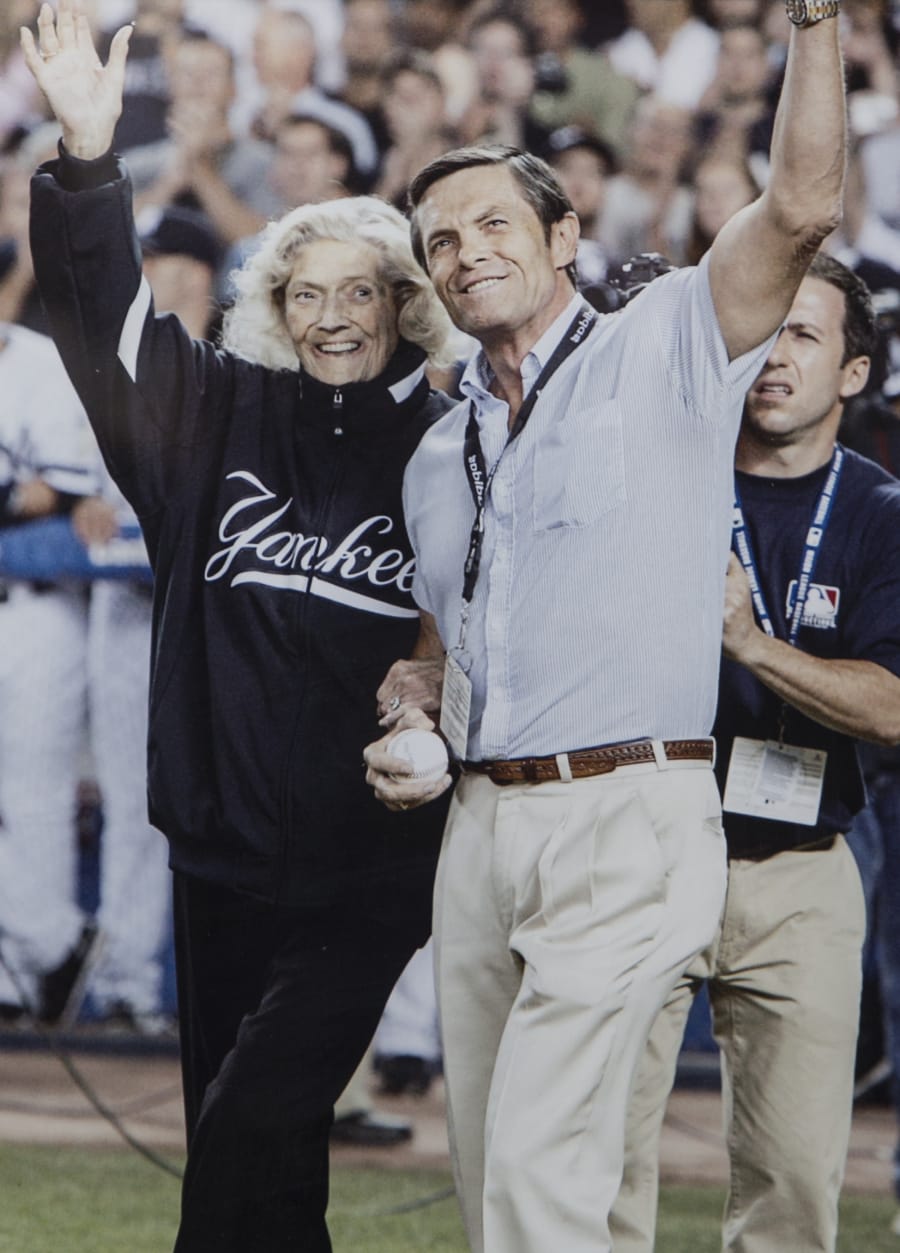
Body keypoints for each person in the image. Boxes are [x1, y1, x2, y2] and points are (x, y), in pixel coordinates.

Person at [363, 2, 849, 1250]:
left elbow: (799, 205)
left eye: (492, 225)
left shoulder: (669, 342)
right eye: (439, 241)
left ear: (565, 235)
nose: (464, 252)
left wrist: (814, 21)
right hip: (477, 824)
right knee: (494, 1175)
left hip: (628, 808)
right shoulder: (432, 454)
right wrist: (415, 697)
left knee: (540, 1169)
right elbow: (438, 640)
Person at [22, 4, 456, 1251]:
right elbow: (101, 324)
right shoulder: (211, 416)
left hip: (369, 866)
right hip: (218, 854)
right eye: (304, 291)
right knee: (264, 1152)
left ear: (403, 306)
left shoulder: (446, 446)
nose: (332, 316)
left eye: (361, 293)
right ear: (274, 301)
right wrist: (90, 156)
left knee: (250, 1118)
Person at [610, 253, 900, 1252]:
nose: (774, 356)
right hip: (646, 847)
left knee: (793, 1189)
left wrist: (751, 645)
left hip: (802, 871)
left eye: (805, 335)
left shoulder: (880, 513)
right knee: (601, 1167)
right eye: (763, 328)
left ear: (854, 373)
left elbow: (895, 707)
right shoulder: (655, 470)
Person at [0, 316, 101, 1026]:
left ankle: (32, 966)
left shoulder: (41, 362)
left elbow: (61, 491)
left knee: (33, 794)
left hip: (37, 609)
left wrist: (27, 499)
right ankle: (50, 946)